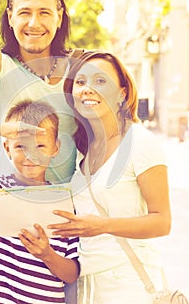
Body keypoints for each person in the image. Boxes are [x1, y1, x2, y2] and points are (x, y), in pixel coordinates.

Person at [48, 51, 172, 304]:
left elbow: (162, 221)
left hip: (130, 284)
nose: (88, 89)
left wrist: (102, 226)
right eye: (80, 82)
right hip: (89, 285)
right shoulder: (86, 149)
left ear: (122, 94)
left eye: (101, 81)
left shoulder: (138, 140)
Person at [0, 99, 80, 304]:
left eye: (40, 145)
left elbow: (72, 274)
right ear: (7, 149)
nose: (30, 154)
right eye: (20, 146)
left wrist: (46, 254)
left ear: (55, 148)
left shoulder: (65, 203)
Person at [0, 0, 80, 183]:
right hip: (7, 207)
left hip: (66, 208)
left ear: (59, 17)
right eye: (24, 13)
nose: (34, 23)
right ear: (10, 18)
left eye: (44, 13)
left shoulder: (78, 73)